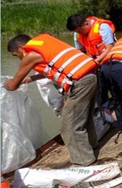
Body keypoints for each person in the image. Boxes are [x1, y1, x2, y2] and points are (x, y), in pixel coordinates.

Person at [3, 34, 99, 166]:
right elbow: (54, 68)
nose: (19, 59)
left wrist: (5, 84)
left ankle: (84, 162)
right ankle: (92, 147)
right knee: (85, 118)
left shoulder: (30, 55)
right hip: (91, 75)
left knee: (69, 127)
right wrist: (32, 78)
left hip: (80, 83)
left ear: (20, 47)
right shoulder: (45, 44)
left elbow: (13, 86)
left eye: (16, 55)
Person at [66, 14, 122, 133]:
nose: (80, 33)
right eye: (77, 32)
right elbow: (80, 52)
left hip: (110, 62)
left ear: (86, 24)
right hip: (95, 64)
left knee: (116, 95)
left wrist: (96, 61)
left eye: (80, 30)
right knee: (99, 94)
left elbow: (110, 47)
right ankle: (105, 117)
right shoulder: (77, 33)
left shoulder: (102, 27)